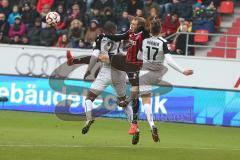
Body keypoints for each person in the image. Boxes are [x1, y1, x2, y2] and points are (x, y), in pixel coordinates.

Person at [66, 21, 135, 144]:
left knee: (89, 98)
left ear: (104, 29)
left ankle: (88, 118)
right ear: (114, 30)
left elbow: (94, 57)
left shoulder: (100, 38)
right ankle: (134, 127)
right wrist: (131, 29)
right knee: (123, 101)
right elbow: (126, 38)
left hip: (105, 71)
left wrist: (88, 70)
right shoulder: (119, 38)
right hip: (119, 71)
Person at [138, 19, 193, 142]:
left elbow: (138, 57)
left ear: (150, 29)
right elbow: (169, 61)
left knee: (145, 101)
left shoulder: (144, 41)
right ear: (161, 30)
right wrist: (183, 70)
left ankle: (151, 125)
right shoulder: (163, 42)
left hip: (144, 72)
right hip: (157, 73)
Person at [98, 16, 149, 144]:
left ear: (140, 26)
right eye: (131, 23)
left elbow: (149, 31)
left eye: (134, 24)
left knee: (135, 93)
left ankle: (134, 124)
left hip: (134, 66)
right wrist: (104, 35)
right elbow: (118, 37)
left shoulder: (144, 35)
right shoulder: (130, 32)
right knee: (103, 57)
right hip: (125, 61)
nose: (131, 25)